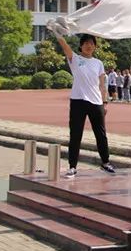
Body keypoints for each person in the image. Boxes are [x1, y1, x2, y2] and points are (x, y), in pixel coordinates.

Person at [47, 28, 116, 177]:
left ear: (95, 47)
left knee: (101, 134)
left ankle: (105, 162)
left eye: (91, 43)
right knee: (76, 134)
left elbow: (102, 84)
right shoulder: (75, 59)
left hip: (96, 101)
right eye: (86, 43)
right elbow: (65, 47)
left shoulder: (98, 63)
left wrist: (105, 102)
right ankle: (72, 166)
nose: (89, 46)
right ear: (81, 46)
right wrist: (58, 34)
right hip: (78, 100)